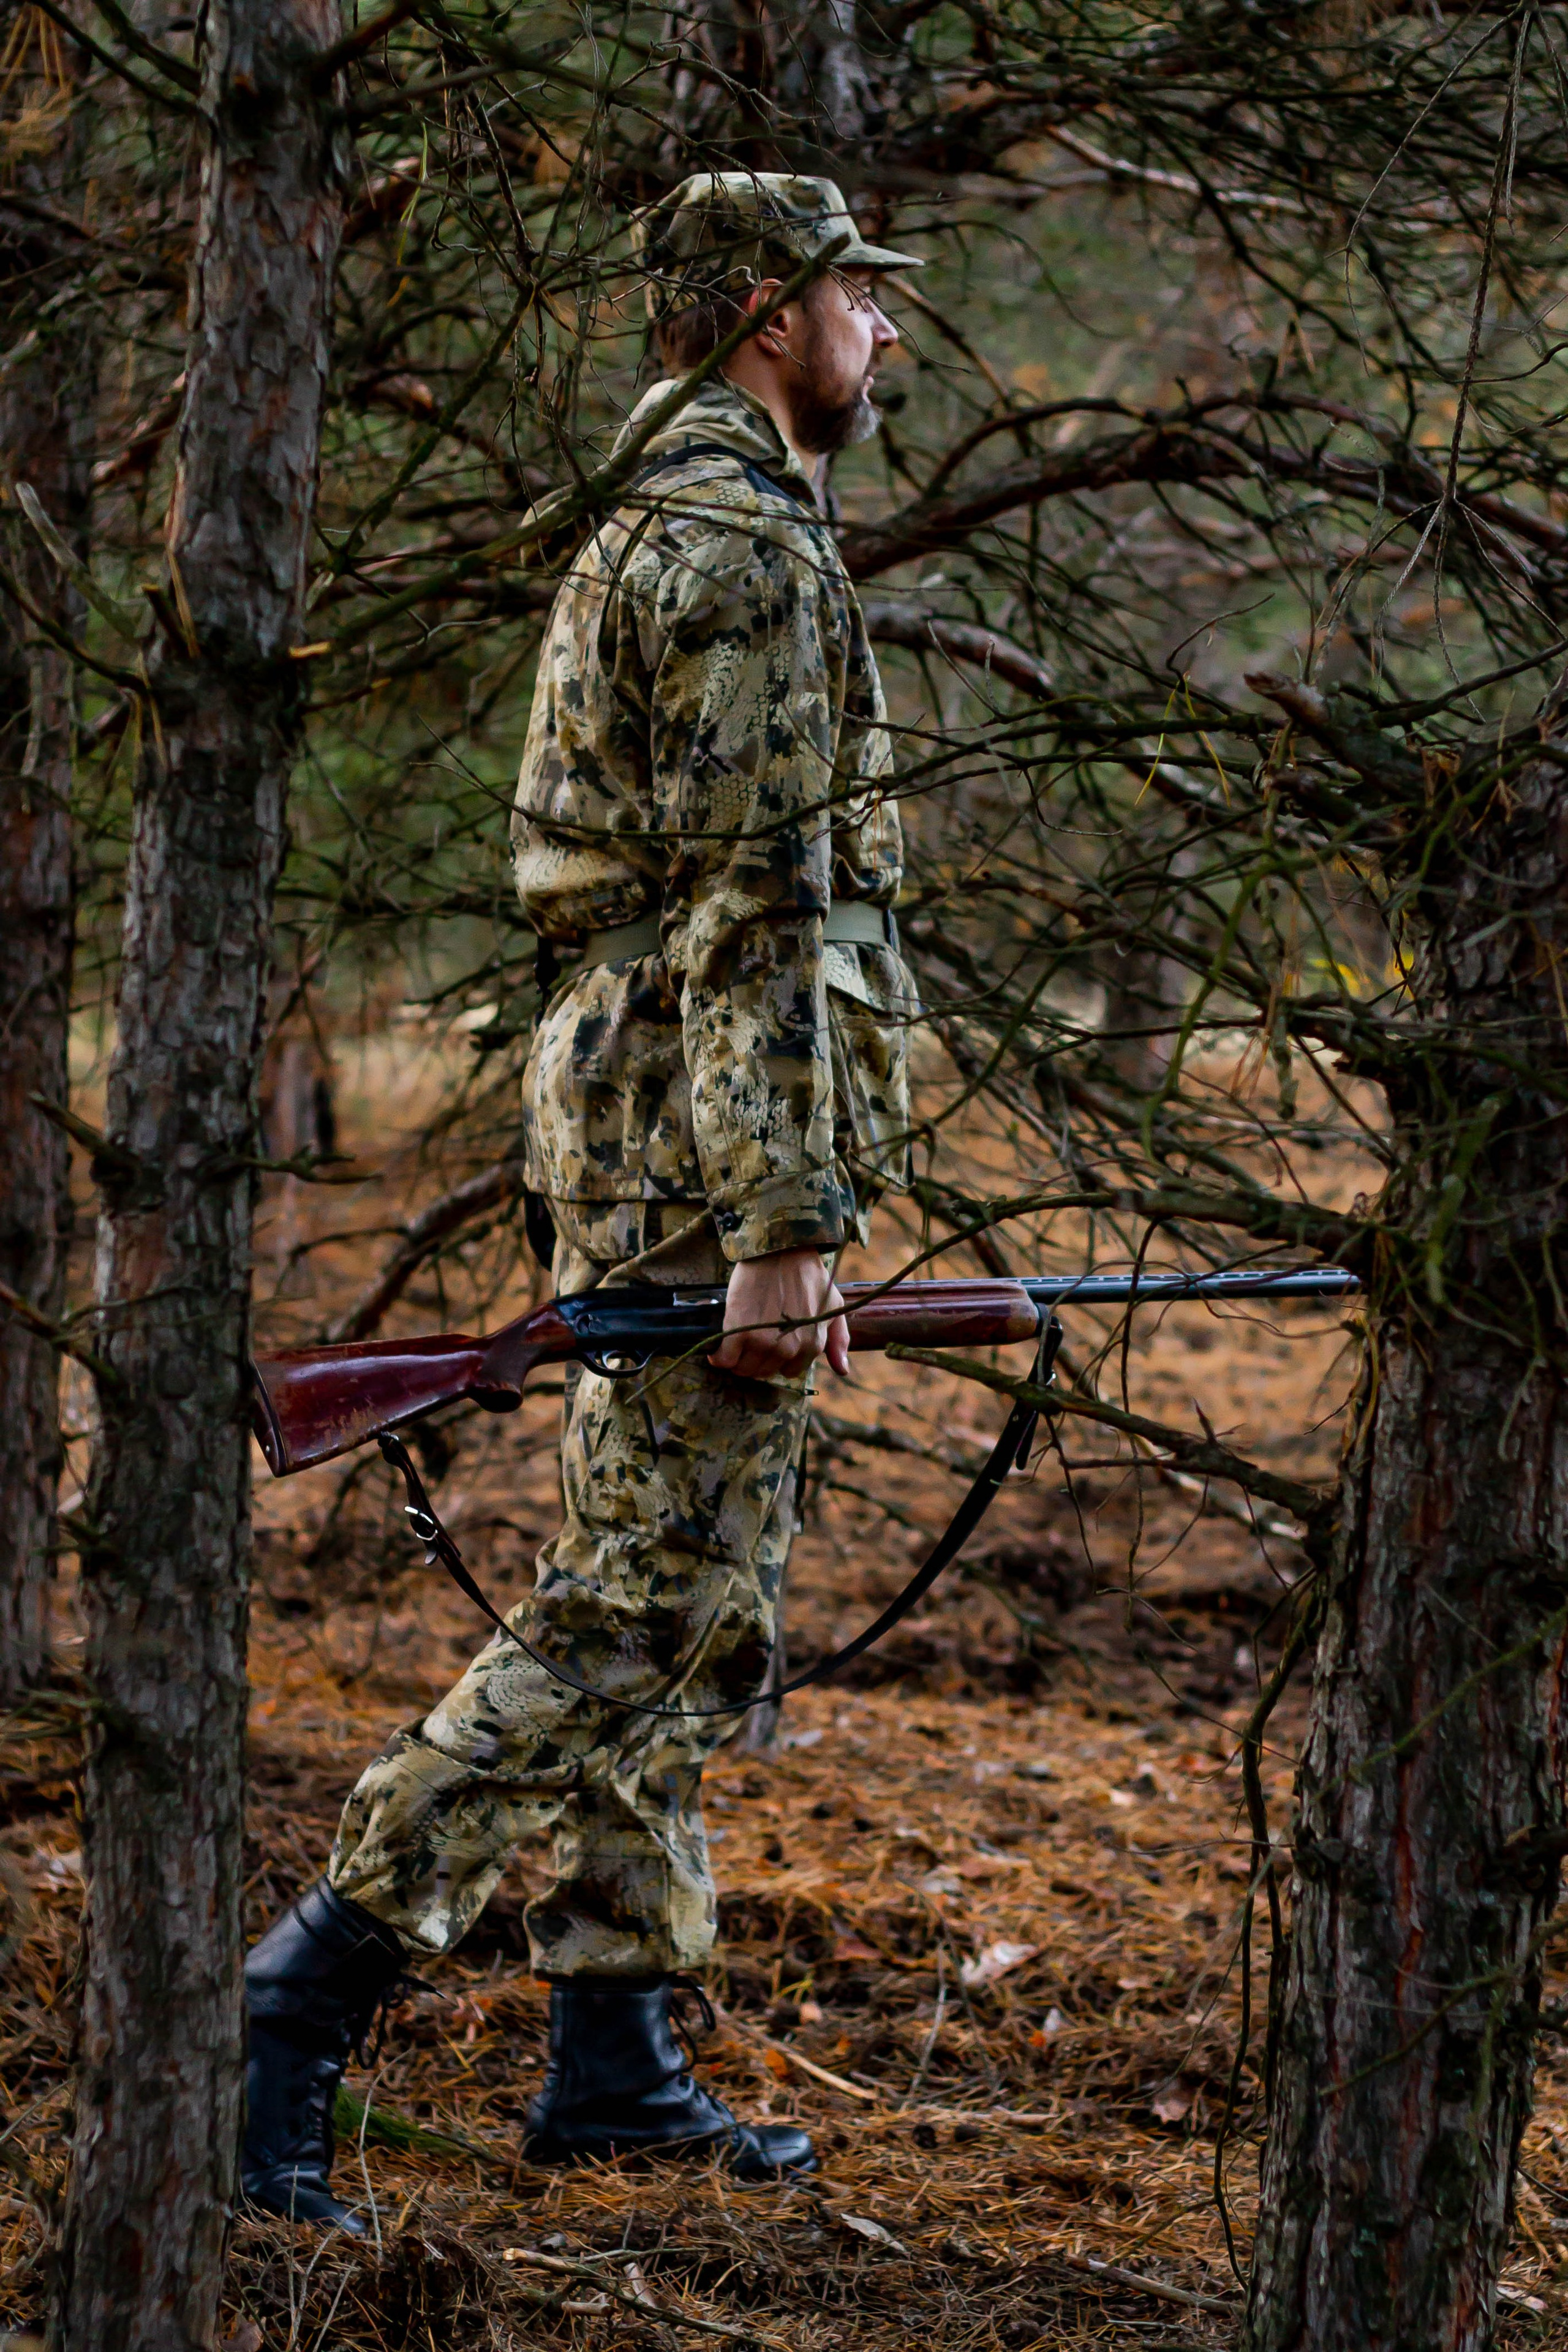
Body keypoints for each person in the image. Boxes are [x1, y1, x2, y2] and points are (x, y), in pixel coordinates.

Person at [241, 172, 924, 2231]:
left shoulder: (700, 514)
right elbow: (758, 896)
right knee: (641, 1602)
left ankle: (614, 2057)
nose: (879, 333)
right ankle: (296, 2003)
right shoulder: (731, 543)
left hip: (659, 1122)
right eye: (848, 300)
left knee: (685, 1588)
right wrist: (786, 1216)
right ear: (757, 316)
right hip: (698, 1140)